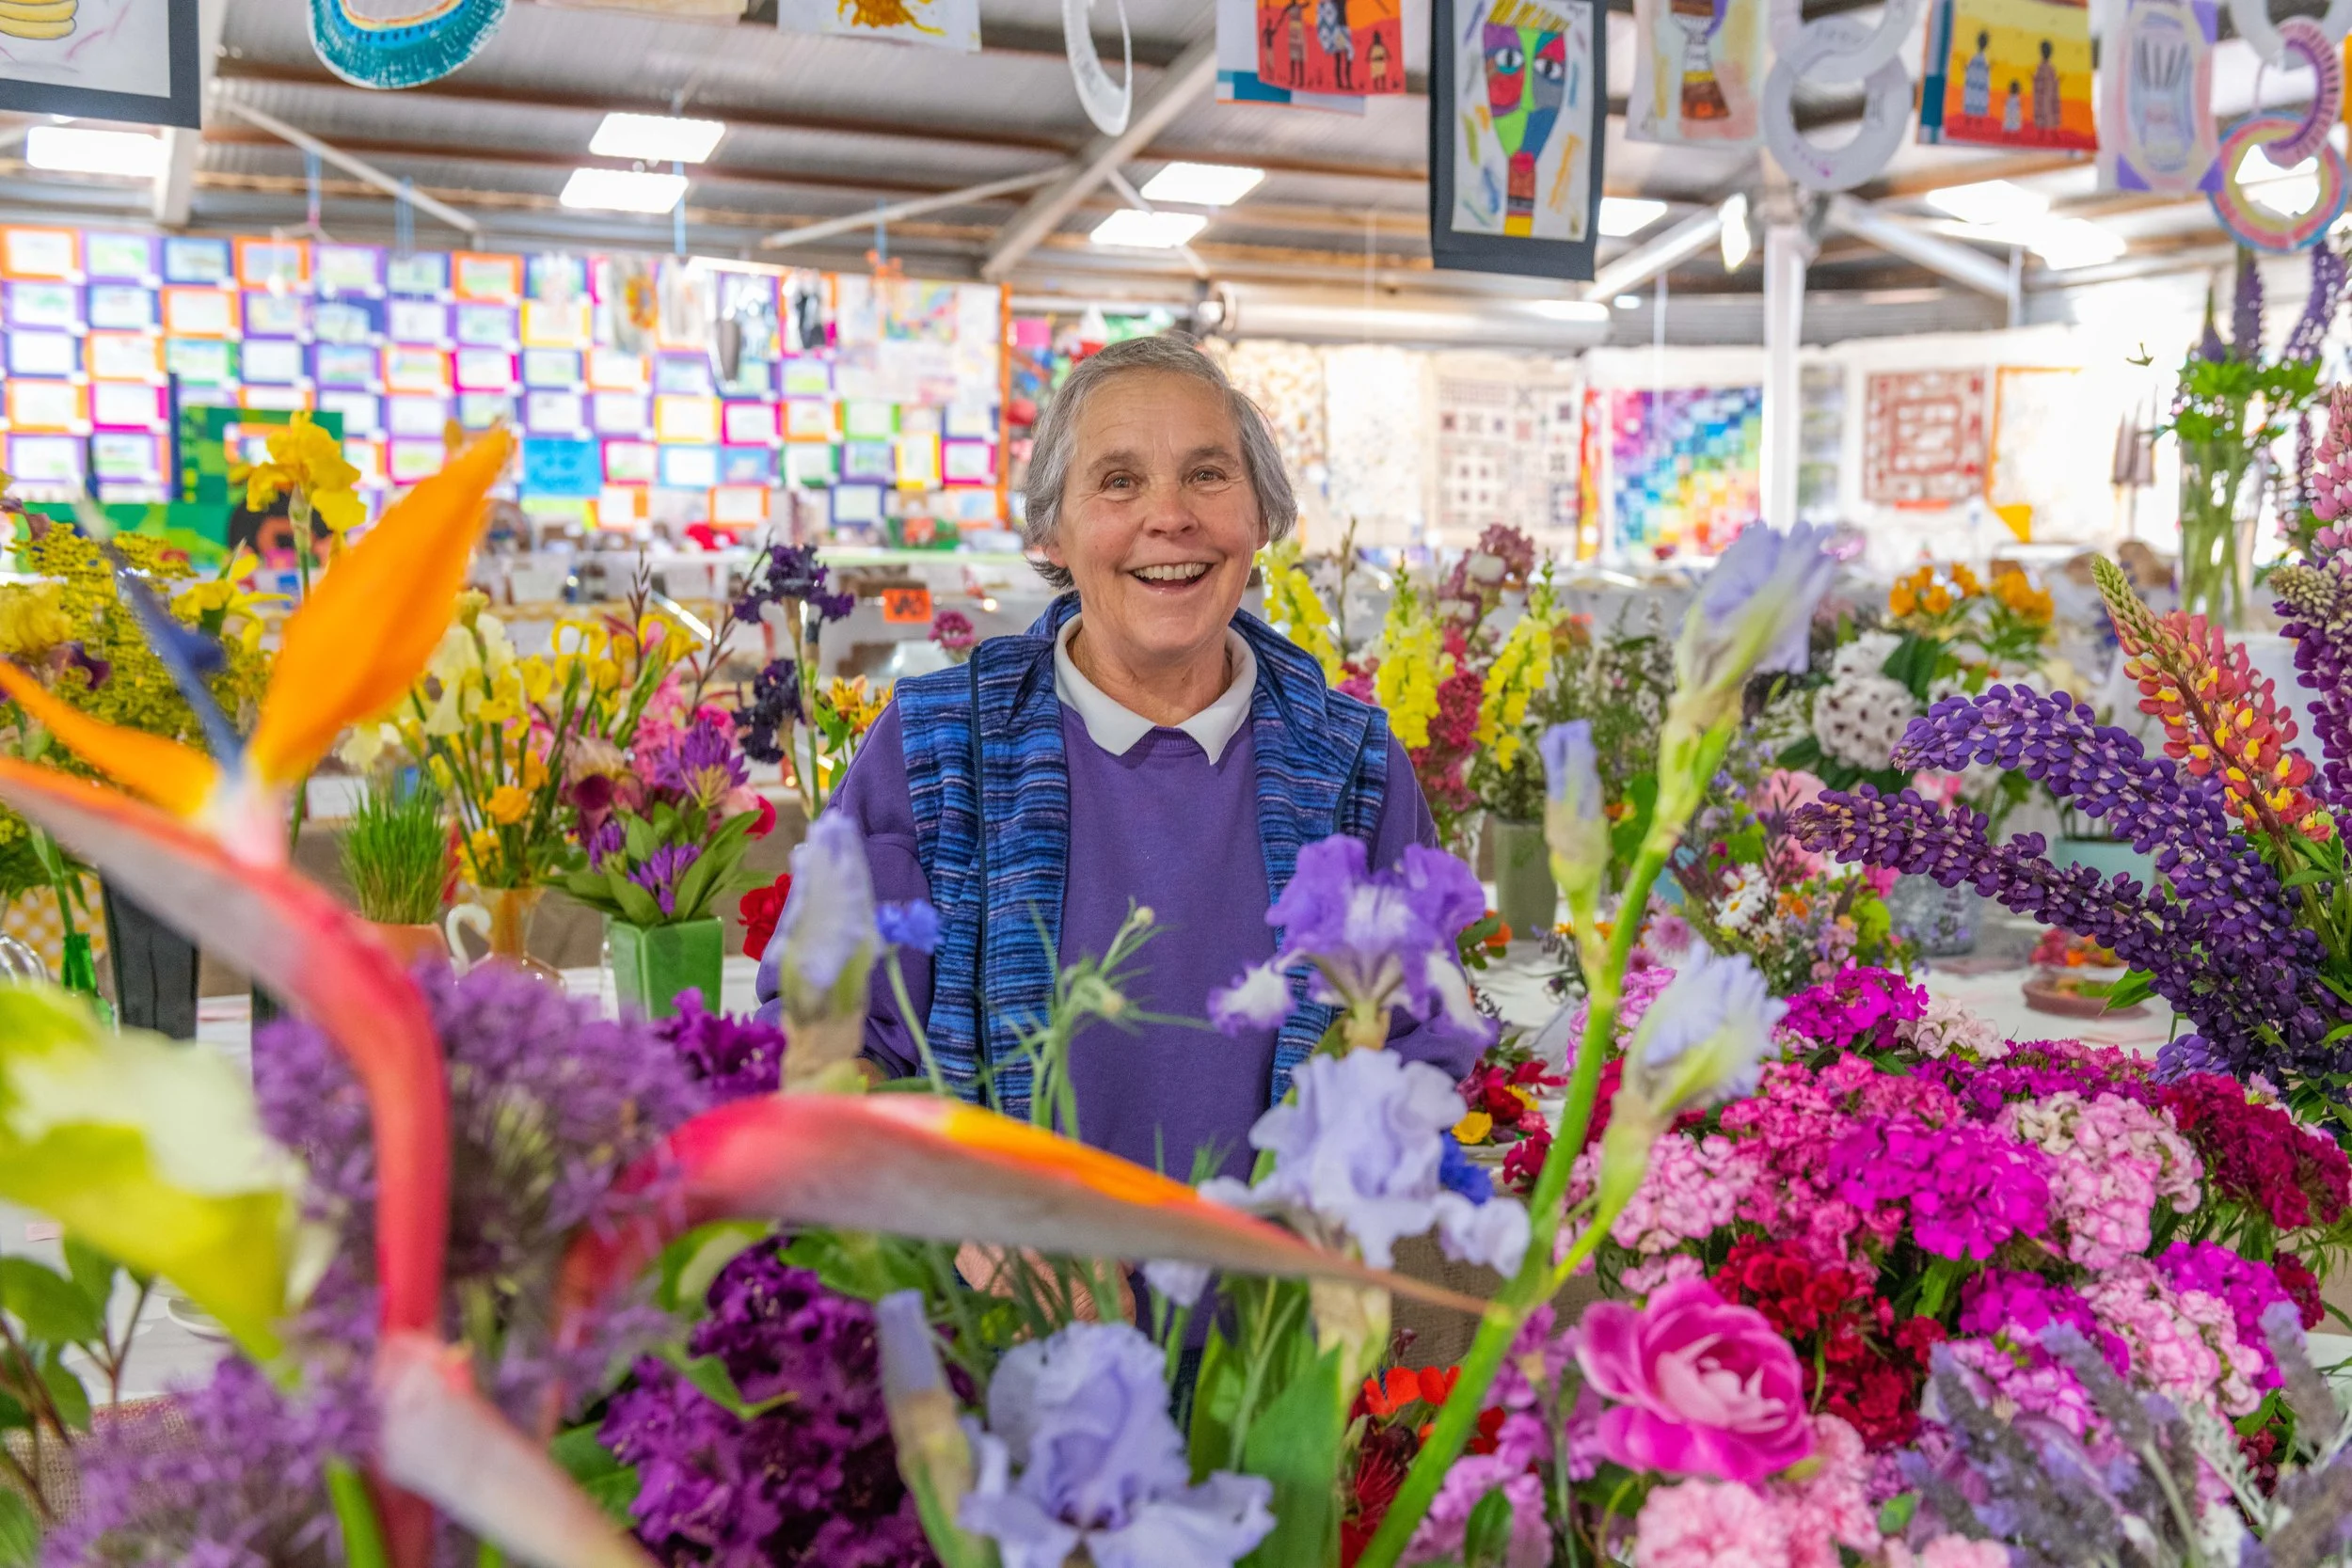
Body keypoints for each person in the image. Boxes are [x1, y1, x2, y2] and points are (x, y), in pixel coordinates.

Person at [757, 334, 1478, 1183]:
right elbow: (821, 1049)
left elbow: (1426, 1043)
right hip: (1001, 1307)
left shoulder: (1354, 767)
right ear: (1053, 531)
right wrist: (966, 1225)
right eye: (1119, 481)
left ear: (1261, 517)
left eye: (1208, 474)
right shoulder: (933, 754)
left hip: (1279, 1305)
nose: (1169, 516)